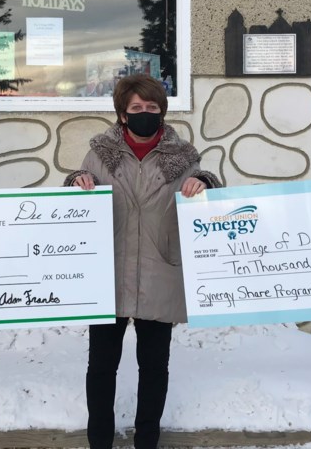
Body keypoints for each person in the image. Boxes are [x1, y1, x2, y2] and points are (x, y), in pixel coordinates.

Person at [65, 73, 221, 449]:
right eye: (136, 108)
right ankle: (99, 440)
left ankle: (147, 439)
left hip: (160, 269)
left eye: (152, 108)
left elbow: (211, 197)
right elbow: (74, 195)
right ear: (122, 114)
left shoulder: (182, 156)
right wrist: (76, 180)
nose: (145, 113)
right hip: (111, 272)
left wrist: (204, 181)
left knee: (153, 368)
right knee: (101, 367)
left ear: (162, 112)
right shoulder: (99, 153)